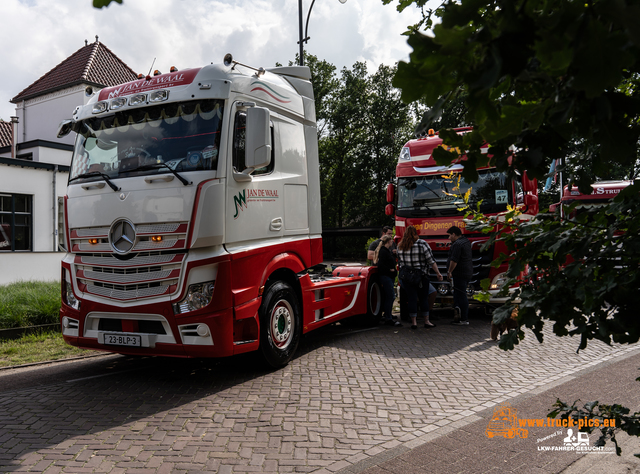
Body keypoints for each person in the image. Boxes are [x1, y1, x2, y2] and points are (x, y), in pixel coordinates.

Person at [396, 226, 443, 329]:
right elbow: (431, 260)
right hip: (421, 276)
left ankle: (414, 322)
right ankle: (426, 321)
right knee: (423, 298)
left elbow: (400, 262)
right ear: (415, 233)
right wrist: (438, 273)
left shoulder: (400, 245)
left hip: (407, 277)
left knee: (412, 298)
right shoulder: (422, 243)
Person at [446, 226, 473, 325]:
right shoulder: (466, 241)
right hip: (468, 272)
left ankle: (464, 319)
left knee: (461, 295)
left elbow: (454, 260)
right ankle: (458, 314)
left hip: (459, 273)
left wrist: (449, 272)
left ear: (453, 234)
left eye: (449, 236)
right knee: (458, 294)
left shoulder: (457, 244)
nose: (448, 238)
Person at [374, 235, 401, 327]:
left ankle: (387, 315)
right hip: (387, 276)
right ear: (388, 241)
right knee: (390, 296)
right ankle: (388, 318)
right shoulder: (384, 252)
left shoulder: (385, 251)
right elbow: (381, 265)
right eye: (391, 241)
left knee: (389, 296)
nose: (392, 242)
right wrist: (390, 270)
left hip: (387, 276)